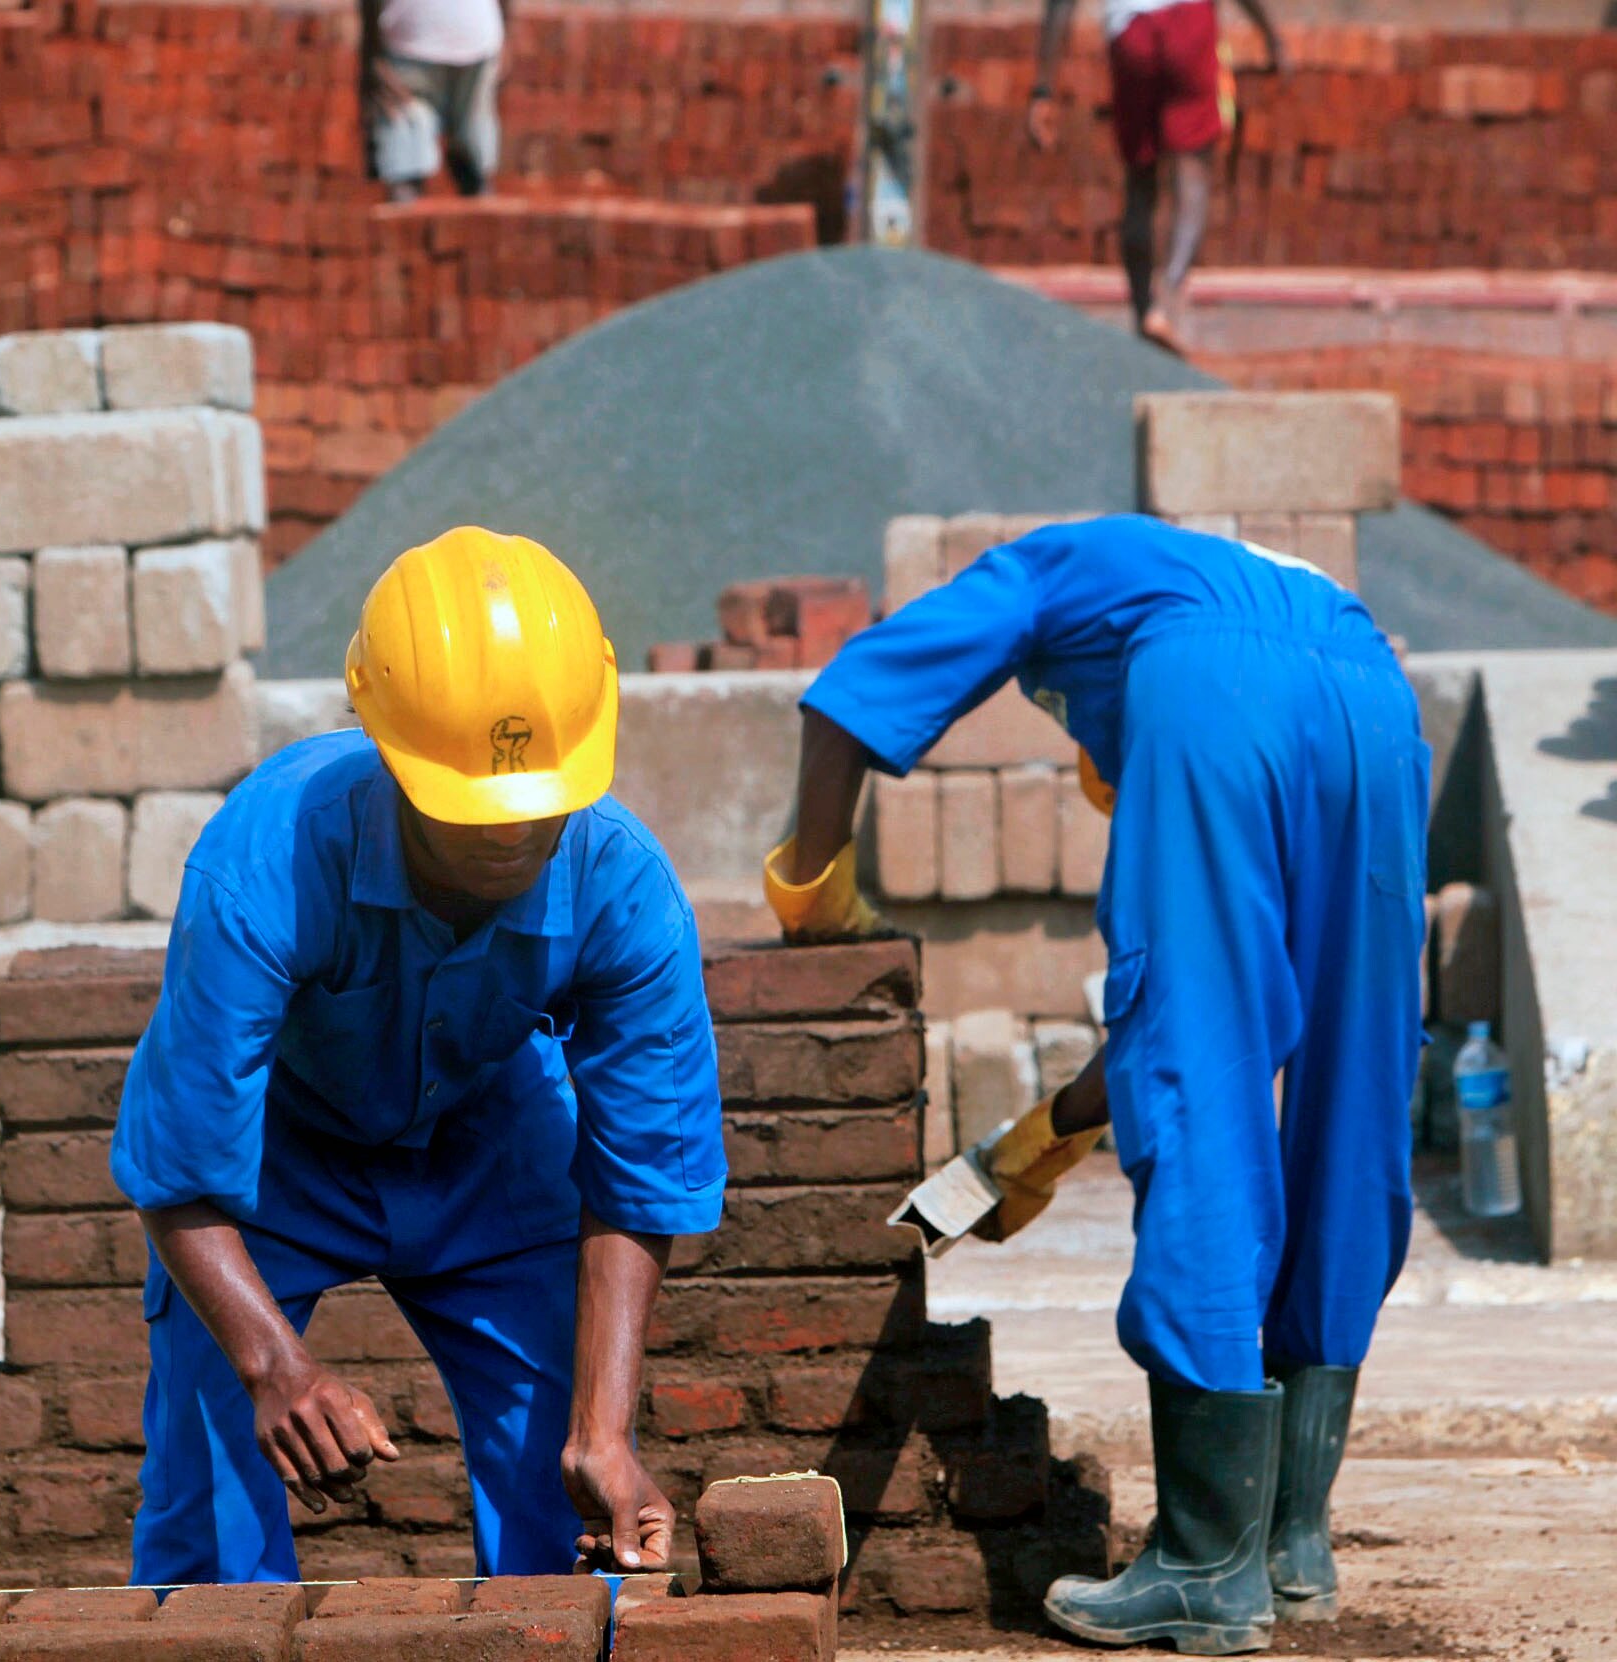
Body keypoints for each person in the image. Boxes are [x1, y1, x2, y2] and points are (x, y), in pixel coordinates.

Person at [764, 516, 1426, 1656]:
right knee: (1356, 1086)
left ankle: (1205, 1565)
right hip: (1380, 705)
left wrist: (811, 891)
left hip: (1219, 690)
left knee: (1202, 1102)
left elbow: (851, 696)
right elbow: (1190, 1031)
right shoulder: (1254, 584)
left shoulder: (1047, 570)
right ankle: (1288, 1542)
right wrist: (1041, 1143)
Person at [113, 527, 722, 1583]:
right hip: (273, 1163)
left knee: (562, 1495)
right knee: (211, 1500)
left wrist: (605, 1430)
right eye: (470, 812)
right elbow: (177, 1163)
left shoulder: (627, 891)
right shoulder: (267, 860)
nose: (512, 837)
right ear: (390, 753)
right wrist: (274, 1365)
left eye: (540, 808)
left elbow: (642, 1173)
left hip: (492, 1144)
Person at [1028, 0, 1284, 355]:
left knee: (1139, 181)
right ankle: (1168, 299)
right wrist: (1272, 37)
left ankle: (1143, 313)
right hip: (1189, 24)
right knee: (1193, 174)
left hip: (1130, 34)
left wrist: (1043, 89)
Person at [361, 0, 507, 201]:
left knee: (407, 169)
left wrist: (371, 54)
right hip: (471, 37)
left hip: (413, 42)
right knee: (473, 162)